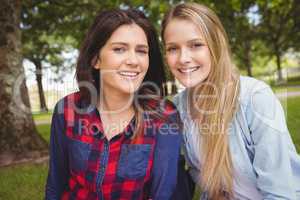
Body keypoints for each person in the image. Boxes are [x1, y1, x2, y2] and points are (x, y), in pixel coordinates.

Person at [161, 2, 300, 200]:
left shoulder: (255, 99)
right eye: (173, 48)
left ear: (215, 46)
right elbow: (199, 173)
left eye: (196, 45)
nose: (183, 58)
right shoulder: (179, 107)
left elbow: (280, 193)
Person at [45, 8, 182, 200]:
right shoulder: (67, 110)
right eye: (119, 49)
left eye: (141, 51)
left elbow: (164, 194)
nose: (133, 60)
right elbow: (55, 185)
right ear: (96, 59)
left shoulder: (163, 116)